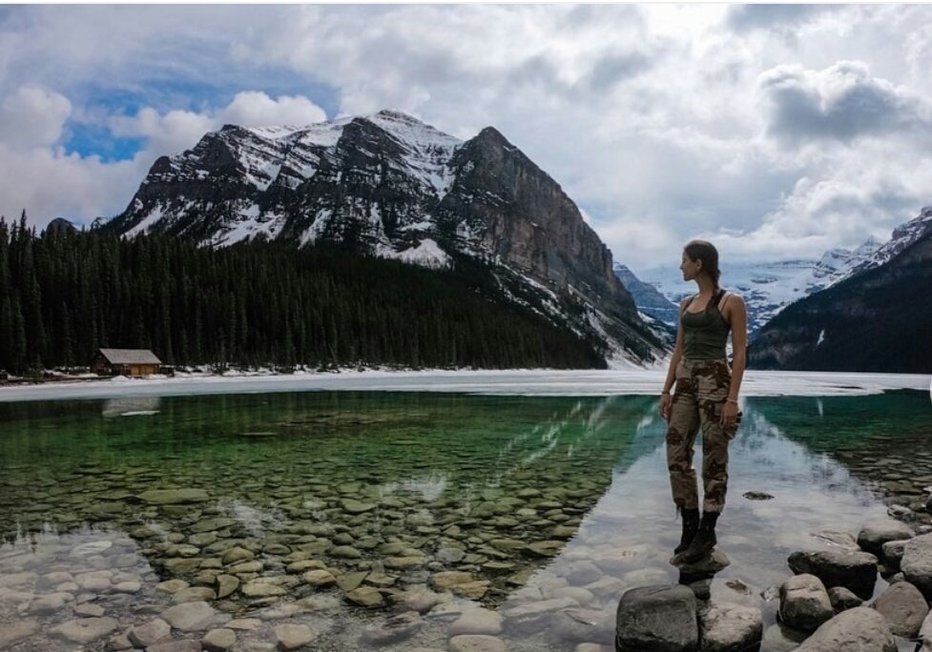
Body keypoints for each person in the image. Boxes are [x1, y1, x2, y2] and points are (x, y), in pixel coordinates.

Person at [659, 240, 747, 565]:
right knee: (676, 451)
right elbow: (678, 350)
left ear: (699, 264)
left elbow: (739, 354)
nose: (680, 267)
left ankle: (707, 531)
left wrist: (732, 399)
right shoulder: (685, 304)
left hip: (715, 383)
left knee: (714, 455)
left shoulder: (730, 302)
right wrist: (665, 390)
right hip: (685, 382)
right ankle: (689, 527)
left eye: (684, 261)